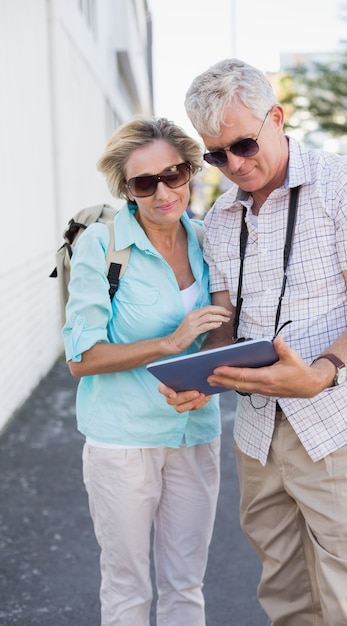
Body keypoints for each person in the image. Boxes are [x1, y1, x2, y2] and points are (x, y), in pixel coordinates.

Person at [159, 59, 347, 626]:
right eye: (216, 155)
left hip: (339, 424)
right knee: (286, 597)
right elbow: (227, 320)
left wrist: (321, 372)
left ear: (277, 116)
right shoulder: (221, 216)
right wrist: (202, 374)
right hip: (258, 434)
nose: (234, 165)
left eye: (244, 144)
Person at [62, 115, 231, 626]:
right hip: (123, 440)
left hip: (196, 429)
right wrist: (172, 342)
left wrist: (208, 380)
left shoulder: (208, 239)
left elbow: (224, 327)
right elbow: (80, 358)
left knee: (186, 584)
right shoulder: (102, 245)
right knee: (127, 587)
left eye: (174, 174)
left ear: (190, 172)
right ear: (128, 189)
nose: (163, 192)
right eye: (144, 182)